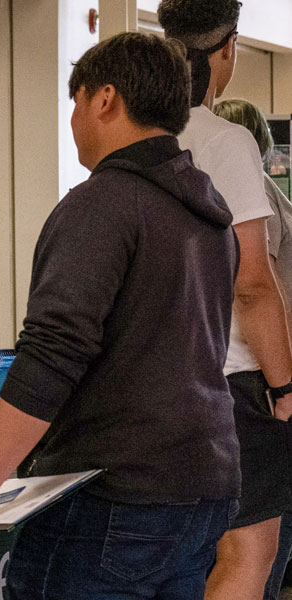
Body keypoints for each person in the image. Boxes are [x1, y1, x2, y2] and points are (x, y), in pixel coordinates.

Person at [0, 32, 240, 599]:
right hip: (204, 483)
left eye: (73, 102)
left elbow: (52, 352)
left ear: (104, 99)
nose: (73, 119)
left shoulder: (104, 203)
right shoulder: (209, 214)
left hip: (114, 497)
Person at [158, 2, 292, 597]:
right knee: (247, 552)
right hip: (231, 381)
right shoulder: (227, 141)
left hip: (156, 378)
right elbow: (253, 283)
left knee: (186, 556)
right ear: (228, 49)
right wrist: (284, 387)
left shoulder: (138, 136)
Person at [212, 98, 292, 600]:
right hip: (260, 374)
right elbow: (256, 287)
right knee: (258, 544)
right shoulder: (257, 200)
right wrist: (284, 384)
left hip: (253, 370)